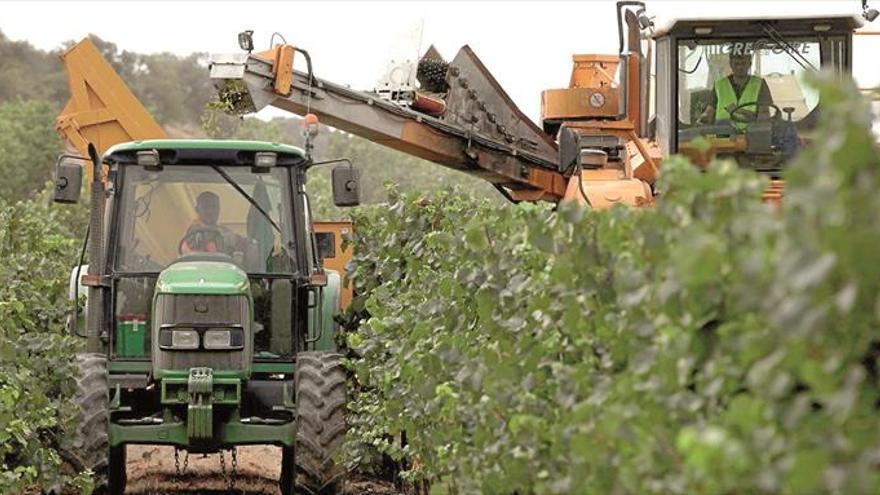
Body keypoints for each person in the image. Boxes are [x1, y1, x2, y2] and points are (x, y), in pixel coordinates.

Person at [699, 52, 774, 127]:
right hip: (723, 135)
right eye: (736, 64)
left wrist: (740, 111)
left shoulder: (759, 84)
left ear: (750, 64)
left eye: (743, 63)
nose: (740, 67)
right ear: (731, 64)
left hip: (752, 135)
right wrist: (704, 119)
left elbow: (764, 114)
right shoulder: (719, 85)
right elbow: (709, 111)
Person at [179, 191, 247, 255]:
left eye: (214, 206)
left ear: (219, 208)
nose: (210, 211)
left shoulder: (225, 231)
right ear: (197, 210)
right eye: (205, 207)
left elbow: (238, 241)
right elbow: (196, 243)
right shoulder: (192, 231)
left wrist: (249, 244)